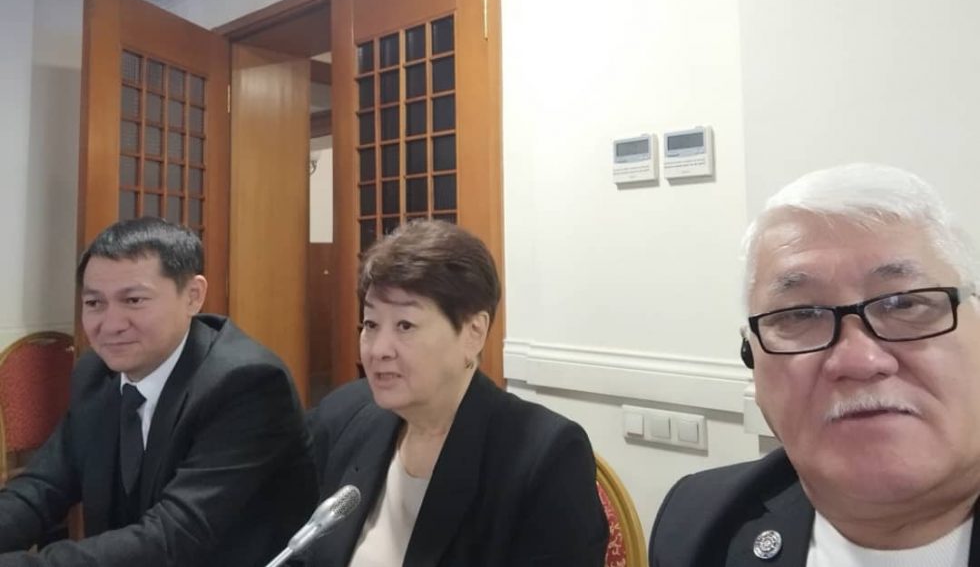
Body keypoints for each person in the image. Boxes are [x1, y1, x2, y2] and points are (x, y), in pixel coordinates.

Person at [649, 163, 980, 565]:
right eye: (800, 315)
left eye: (904, 304)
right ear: (751, 358)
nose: (859, 360)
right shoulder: (699, 524)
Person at [0, 217, 317, 566]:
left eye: (134, 300)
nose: (111, 325)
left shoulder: (247, 383)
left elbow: (176, 535)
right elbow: (41, 488)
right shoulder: (97, 373)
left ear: (193, 296)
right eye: (94, 303)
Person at [305, 219, 608, 567]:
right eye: (371, 324)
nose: (378, 350)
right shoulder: (345, 415)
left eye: (405, 325)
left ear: (473, 333)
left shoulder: (545, 456)